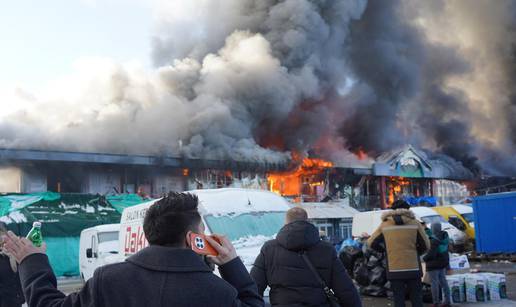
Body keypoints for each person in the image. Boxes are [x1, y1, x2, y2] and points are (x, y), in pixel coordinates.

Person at [2, 192, 263, 307]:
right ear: (191, 238)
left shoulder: (109, 281)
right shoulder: (220, 293)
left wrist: (32, 261)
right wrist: (232, 265)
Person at [250, 207, 362, 307]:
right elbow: (346, 290)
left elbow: (253, 289)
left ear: (286, 223)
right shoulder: (326, 250)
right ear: (307, 221)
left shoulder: (269, 249)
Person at [367, 200, 430, 307]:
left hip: (394, 269)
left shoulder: (385, 224)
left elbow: (370, 242)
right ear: (408, 210)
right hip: (413, 268)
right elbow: (426, 245)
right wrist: (416, 253)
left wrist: (385, 251)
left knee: (398, 299)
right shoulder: (415, 223)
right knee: (416, 299)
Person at [423, 223, 451, 307]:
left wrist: (423, 259)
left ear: (433, 229)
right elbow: (431, 234)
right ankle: (447, 301)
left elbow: (431, 254)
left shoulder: (433, 240)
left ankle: (436, 302)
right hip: (443, 263)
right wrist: (426, 229)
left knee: (434, 283)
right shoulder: (444, 236)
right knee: (443, 282)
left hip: (433, 264)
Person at [0, 222, 25, 307]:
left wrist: (21, 296)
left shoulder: (14, 253)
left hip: (15, 301)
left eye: (3, 233)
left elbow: (20, 276)